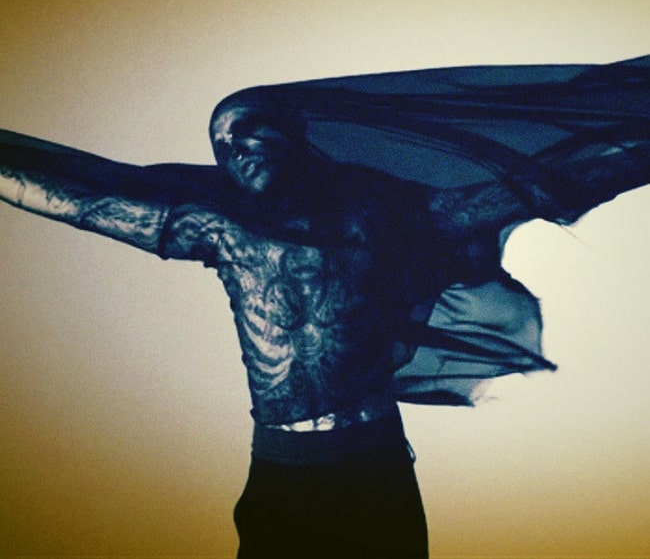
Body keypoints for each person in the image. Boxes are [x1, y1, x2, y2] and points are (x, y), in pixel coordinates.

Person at [1, 57, 648, 557]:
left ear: (295, 133)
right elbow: (84, 197)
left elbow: (547, 183)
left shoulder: (392, 214)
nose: (235, 148)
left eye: (248, 131)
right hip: (282, 471)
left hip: (375, 467)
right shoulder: (220, 226)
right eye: (222, 145)